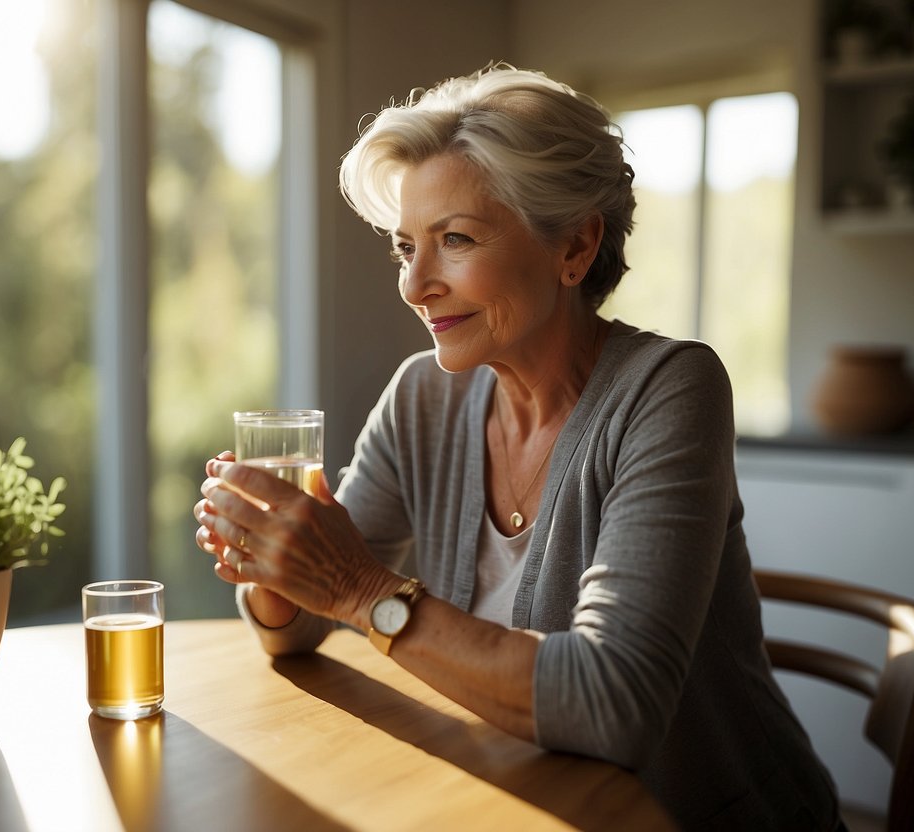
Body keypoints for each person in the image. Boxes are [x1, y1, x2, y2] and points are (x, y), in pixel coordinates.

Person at [193, 63, 841, 830]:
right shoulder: (422, 396)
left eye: (455, 240)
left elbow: (613, 703)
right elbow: (298, 628)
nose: (414, 285)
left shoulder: (670, 390)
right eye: (406, 249)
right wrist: (272, 553)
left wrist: (362, 592)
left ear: (574, 247)